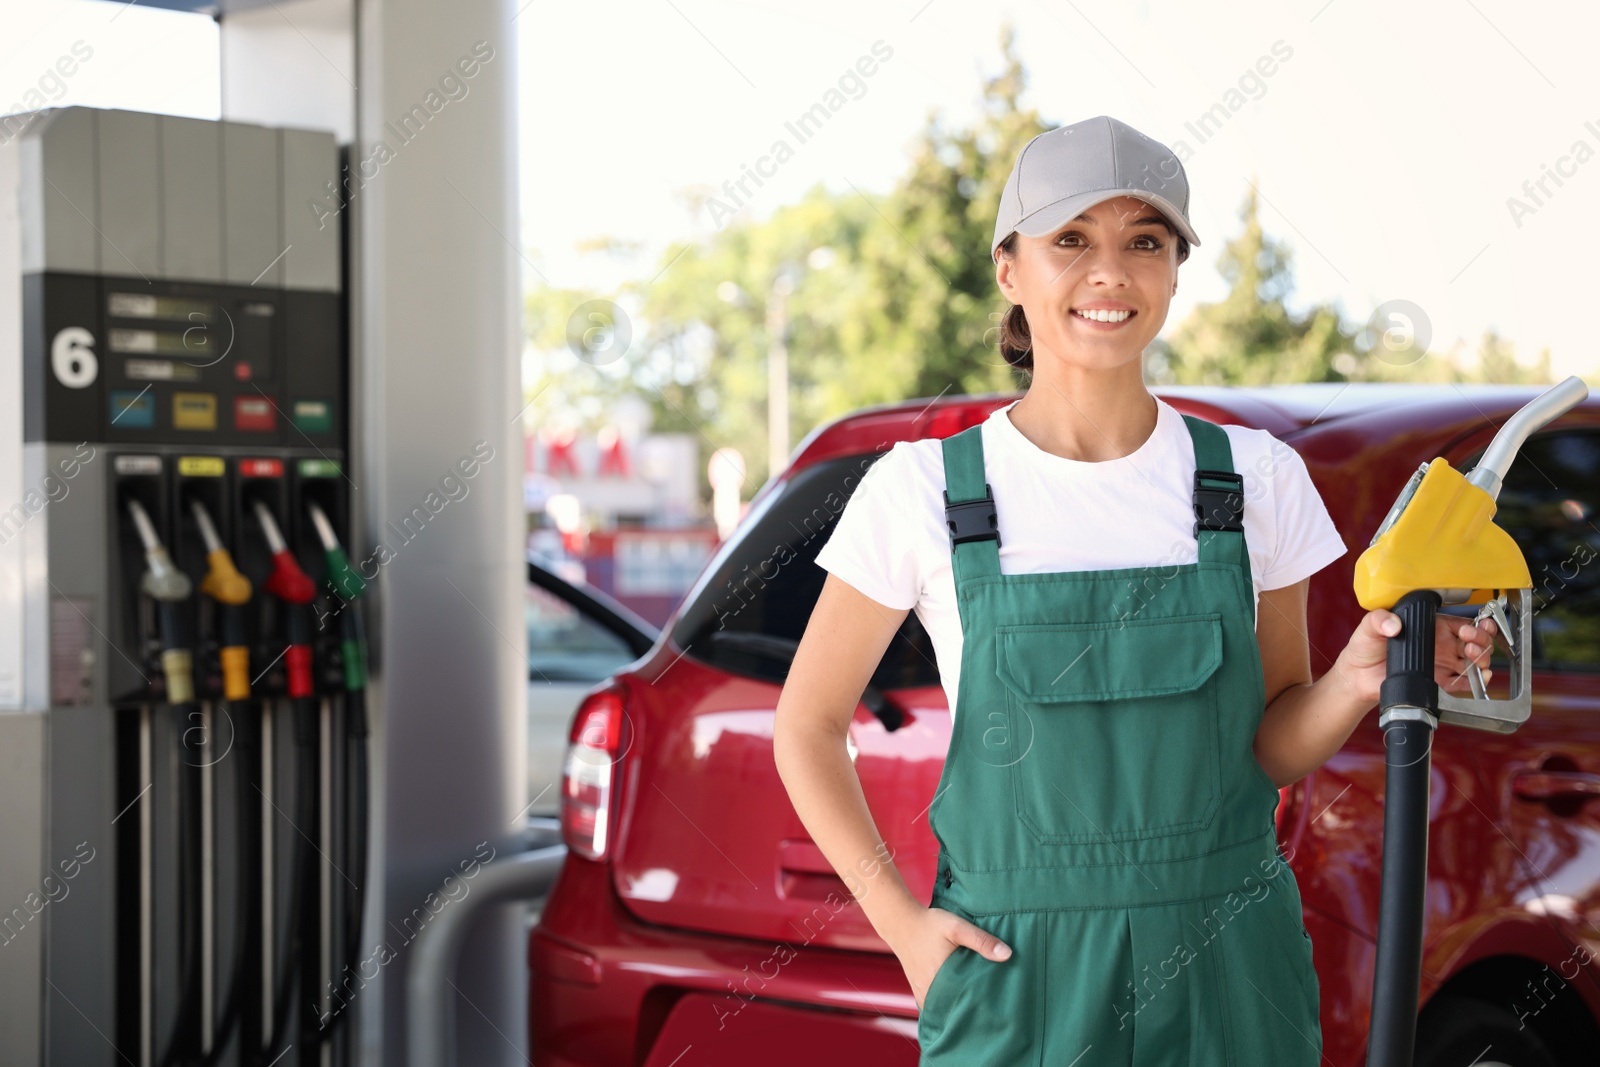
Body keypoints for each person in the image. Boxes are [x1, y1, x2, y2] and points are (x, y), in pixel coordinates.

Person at [770, 114, 1498, 1064]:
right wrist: (902, 925)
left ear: (1173, 271)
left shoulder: (1253, 479)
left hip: (1228, 959)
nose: (1109, 272)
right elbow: (807, 726)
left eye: (1143, 241)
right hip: (1019, 974)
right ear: (1010, 270)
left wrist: (1361, 678)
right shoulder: (925, 492)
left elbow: (1273, 745)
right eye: (1071, 239)